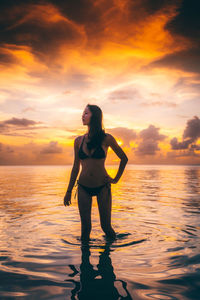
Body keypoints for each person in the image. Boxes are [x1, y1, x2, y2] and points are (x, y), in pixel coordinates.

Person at [64, 104, 128, 242]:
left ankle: (109, 253)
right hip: (83, 187)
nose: (82, 116)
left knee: (106, 227)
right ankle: (84, 261)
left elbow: (124, 158)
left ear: (94, 116)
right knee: (85, 229)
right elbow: (76, 167)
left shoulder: (107, 138)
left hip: (102, 187)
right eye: (83, 113)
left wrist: (115, 179)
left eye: (86, 113)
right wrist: (68, 191)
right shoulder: (78, 141)